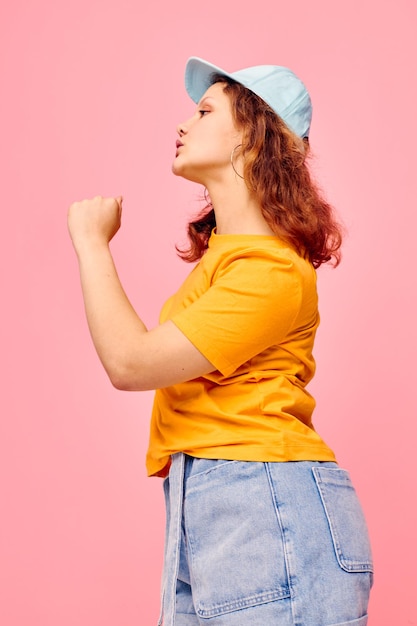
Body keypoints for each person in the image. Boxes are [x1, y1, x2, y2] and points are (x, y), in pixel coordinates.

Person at [68, 56, 373, 626]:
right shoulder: (226, 264)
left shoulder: (271, 272)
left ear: (254, 140)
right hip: (214, 499)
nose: (183, 125)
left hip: (265, 501)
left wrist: (92, 245)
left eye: (205, 111)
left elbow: (130, 362)